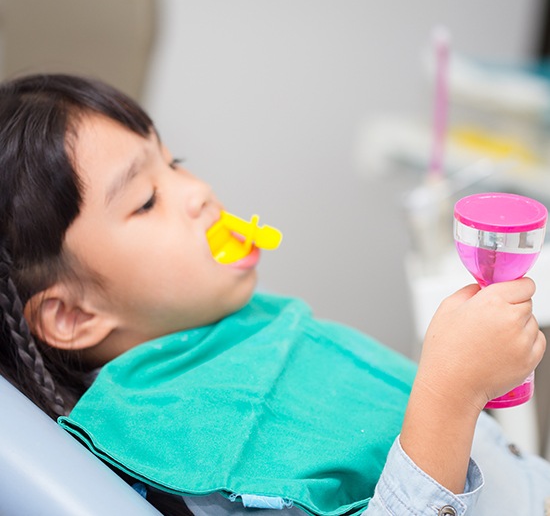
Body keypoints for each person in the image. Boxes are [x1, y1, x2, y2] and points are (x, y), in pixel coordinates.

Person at [0, 73, 549, 516]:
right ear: (71, 314)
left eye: (176, 164)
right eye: (146, 199)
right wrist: (450, 395)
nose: (198, 193)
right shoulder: (182, 450)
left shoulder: (235, 327)